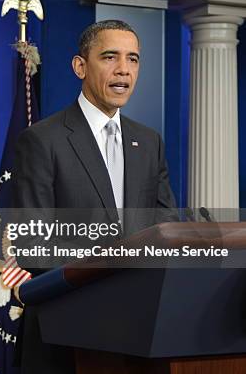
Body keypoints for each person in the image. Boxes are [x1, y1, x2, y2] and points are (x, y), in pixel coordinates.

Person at [13, 20, 177, 373]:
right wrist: (112, 265)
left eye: (133, 59)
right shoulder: (42, 140)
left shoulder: (148, 142)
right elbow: (31, 243)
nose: (123, 70)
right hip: (67, 331)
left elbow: (167, 227)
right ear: (80, 66)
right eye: (110, 57)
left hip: (138, 331)